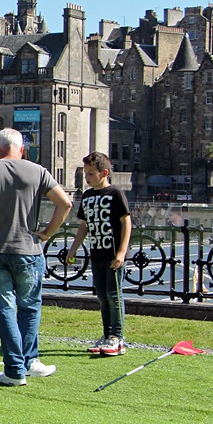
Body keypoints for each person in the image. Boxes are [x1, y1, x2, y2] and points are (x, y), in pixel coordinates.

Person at [0, 128, 71, 385]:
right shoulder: (38, 171)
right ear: (21, 149)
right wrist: (46, 233)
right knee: (29, 307)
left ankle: (15, 368)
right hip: (29, 249)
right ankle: (27, 362)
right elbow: (65, 204)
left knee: (5, 309)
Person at [65, 152, 131, 357]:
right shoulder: (87, 196)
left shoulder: (115, 193)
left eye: (91, 174)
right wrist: (74, 247)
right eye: (85, 174)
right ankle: (106, 335)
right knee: (102, 297)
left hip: (113, 255)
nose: (87, 178)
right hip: (97, 253)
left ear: (104, 173)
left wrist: (121, 252)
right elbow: (84, 225)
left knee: (114, 296)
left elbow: (126, 222)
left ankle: (117, 338)